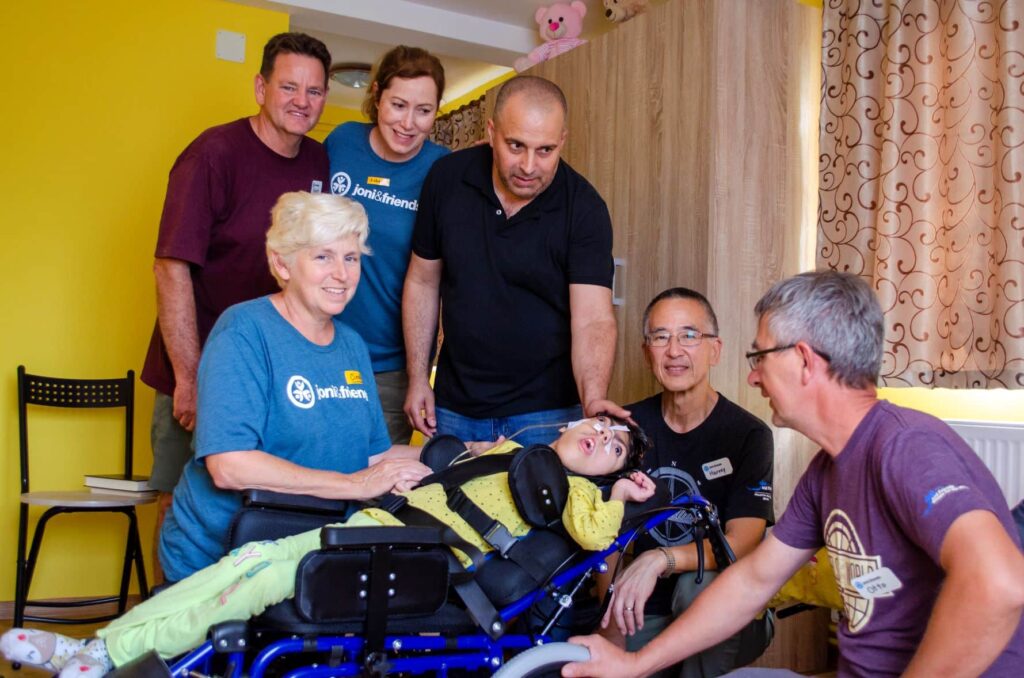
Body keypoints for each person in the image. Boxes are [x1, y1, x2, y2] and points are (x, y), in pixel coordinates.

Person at [564, 271, 1024, 678]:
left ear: (803, 360)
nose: (753, 378)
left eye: (760, 357)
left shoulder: (907, 446)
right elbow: (752, 582)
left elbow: (999, 582)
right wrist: (635, 665)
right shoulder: (826, 471)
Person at [0, 416, 654, 676]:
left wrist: (622, 495)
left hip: (411, 565)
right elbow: (443, 470)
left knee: (259, 583)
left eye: (616, 448)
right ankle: (98, 648)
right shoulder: (509, 450)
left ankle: (108, 657)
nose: (603, 438)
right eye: (602, 426)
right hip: (374, 528)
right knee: (245, 560)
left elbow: (597, 534)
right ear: (574, 421)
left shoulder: (576, 494)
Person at [157, 192, 430, 585]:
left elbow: (372, 454)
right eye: (323, 257)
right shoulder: (244, 332)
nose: (342, 274)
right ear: (282, 263)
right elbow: (229, 466)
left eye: (351, 258)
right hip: (221, 560)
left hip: (304, 556)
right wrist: (353, 485)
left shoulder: (351, 345)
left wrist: (461, 453)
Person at [140, 32, 333, 580]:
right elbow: (170, 266)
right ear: (260, 87)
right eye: (289, 87)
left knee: (261, 506)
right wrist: (189, 376)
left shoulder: (318, 161)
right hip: (202, 364)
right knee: (183, 505)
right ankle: (164, 623)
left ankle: (236, 624)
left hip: (275, 375)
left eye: (314, 91)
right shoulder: (213, 154)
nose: (302, 101)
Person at [403, 75, 625, 447]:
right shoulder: (447, 180)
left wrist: (593, 398)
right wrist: (417, 378)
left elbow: (593, 319)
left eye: (545, 150)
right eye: (516, 145)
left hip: (547, 414)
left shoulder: (585, 209)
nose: (528, 166)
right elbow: (422, 281)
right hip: (455, 407)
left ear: (562, 141)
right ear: (492, 132)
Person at [605, 288, 774, 677]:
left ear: (715, 349)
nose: (674, 350)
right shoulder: (626, 430)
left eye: (689, 335)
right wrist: (609, 620)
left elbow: (742, 543)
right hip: (644, 607)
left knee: (697, 587)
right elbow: (604, 533)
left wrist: (660, 558)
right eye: (661, 337)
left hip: (726, 607)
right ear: (647, 353)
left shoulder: (749, 435)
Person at [325, 45, 449, 445]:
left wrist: (419, 377)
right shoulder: (342, 142)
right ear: (377, 96)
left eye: (424, 110)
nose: (408, 123)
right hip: (320, 347)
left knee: (377, 476)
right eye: (398, 105)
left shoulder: (443, 169)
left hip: (391, 368)